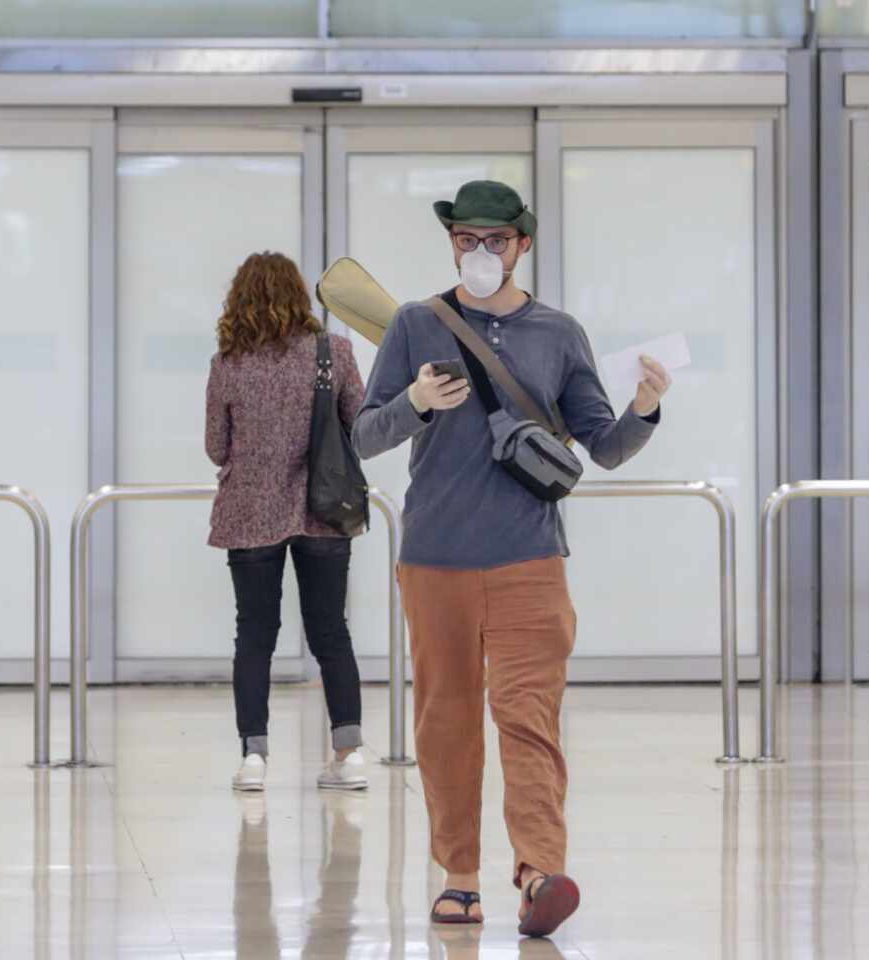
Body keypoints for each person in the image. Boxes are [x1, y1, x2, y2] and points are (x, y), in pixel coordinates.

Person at [352, 180, 672, 938]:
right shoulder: (413, 324)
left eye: (495, 239)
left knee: (529, 718)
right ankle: (459, 875)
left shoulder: (559, 333)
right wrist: (416, 405)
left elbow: (606, 447)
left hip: (531, 557)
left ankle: (538, 871)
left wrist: (647, 409)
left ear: (522, 244)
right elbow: (365, 436)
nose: (480, 252)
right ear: (453, 243)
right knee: (446, 719)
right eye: (467, 238)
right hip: (436, 557)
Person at [206, 251, 370, 793]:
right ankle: (349, 754)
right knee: (330, 632)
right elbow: (361, 428)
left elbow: (215, 448)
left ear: (241, 299)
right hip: (324, 512)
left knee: (254, 634)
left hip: (250, 513)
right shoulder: (334, 353)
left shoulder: (228, 363)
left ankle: (254, 758)